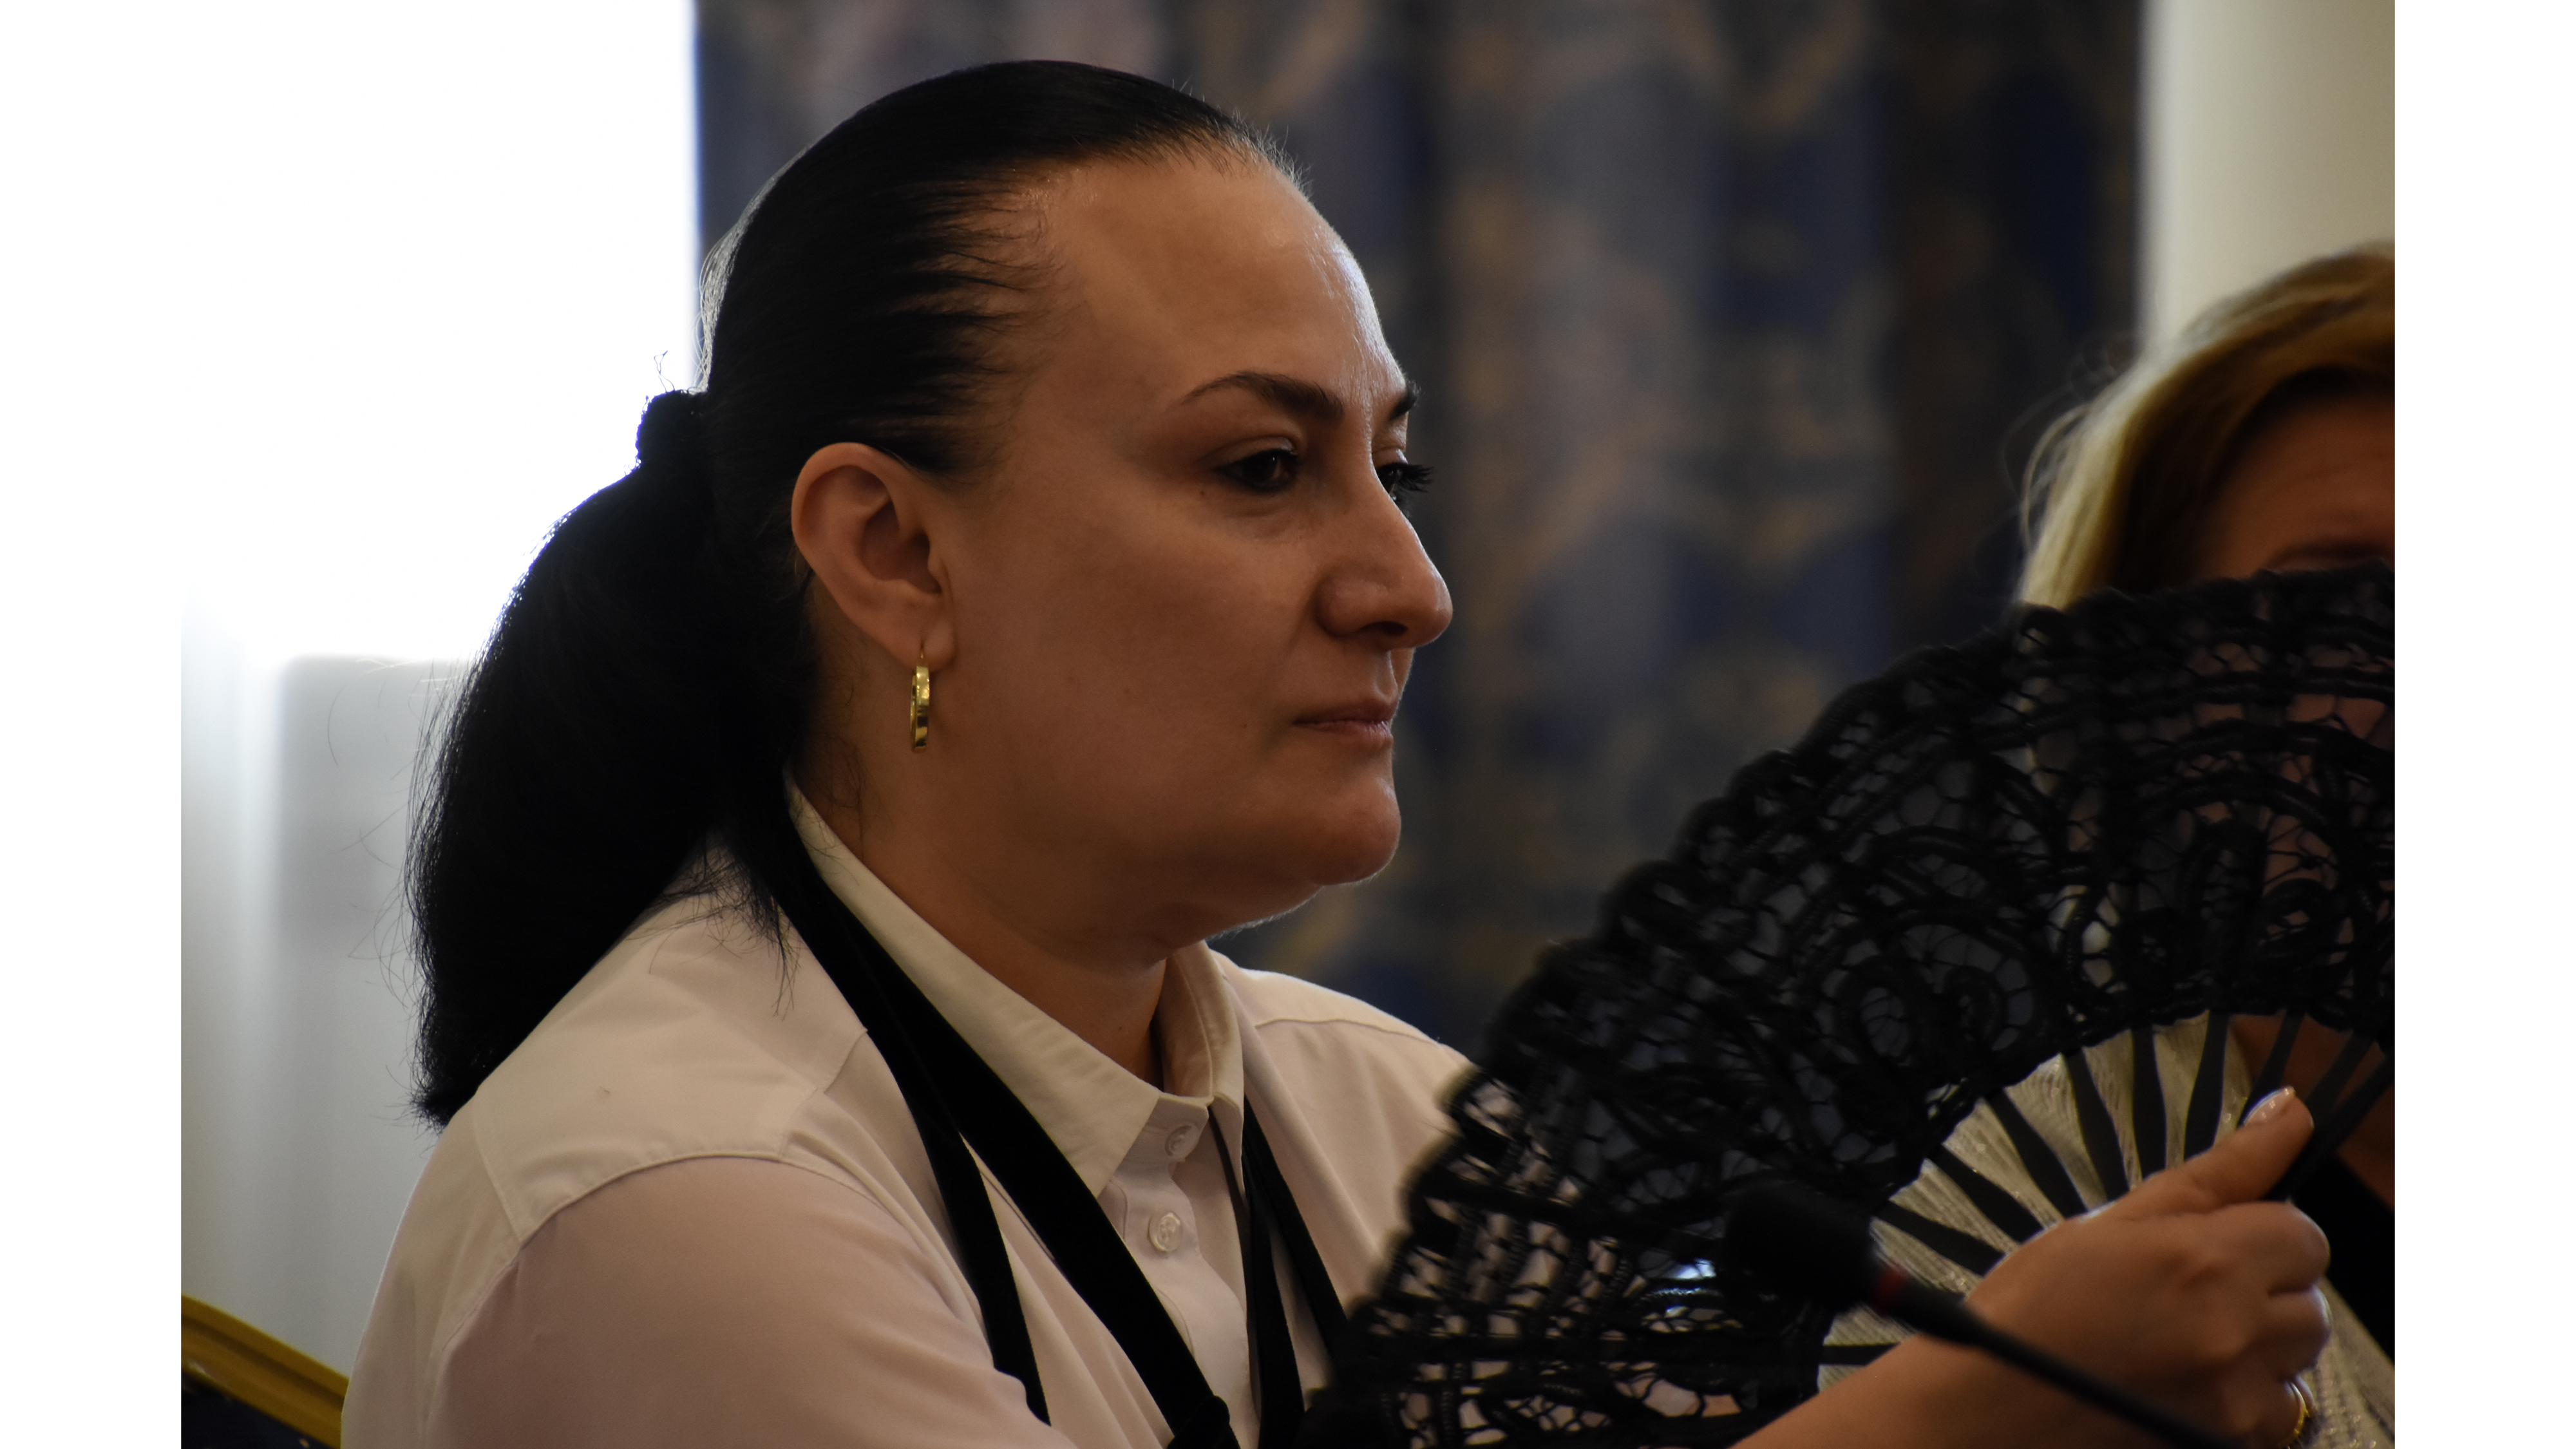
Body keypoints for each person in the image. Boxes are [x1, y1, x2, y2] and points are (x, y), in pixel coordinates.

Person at [345, 62, 2332, 1449]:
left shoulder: (1378, 1116)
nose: (1412, 587)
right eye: (1259, 467)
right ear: (895, 552)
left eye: (1396, 468)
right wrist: (1954, 1421)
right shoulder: (676, 1194)